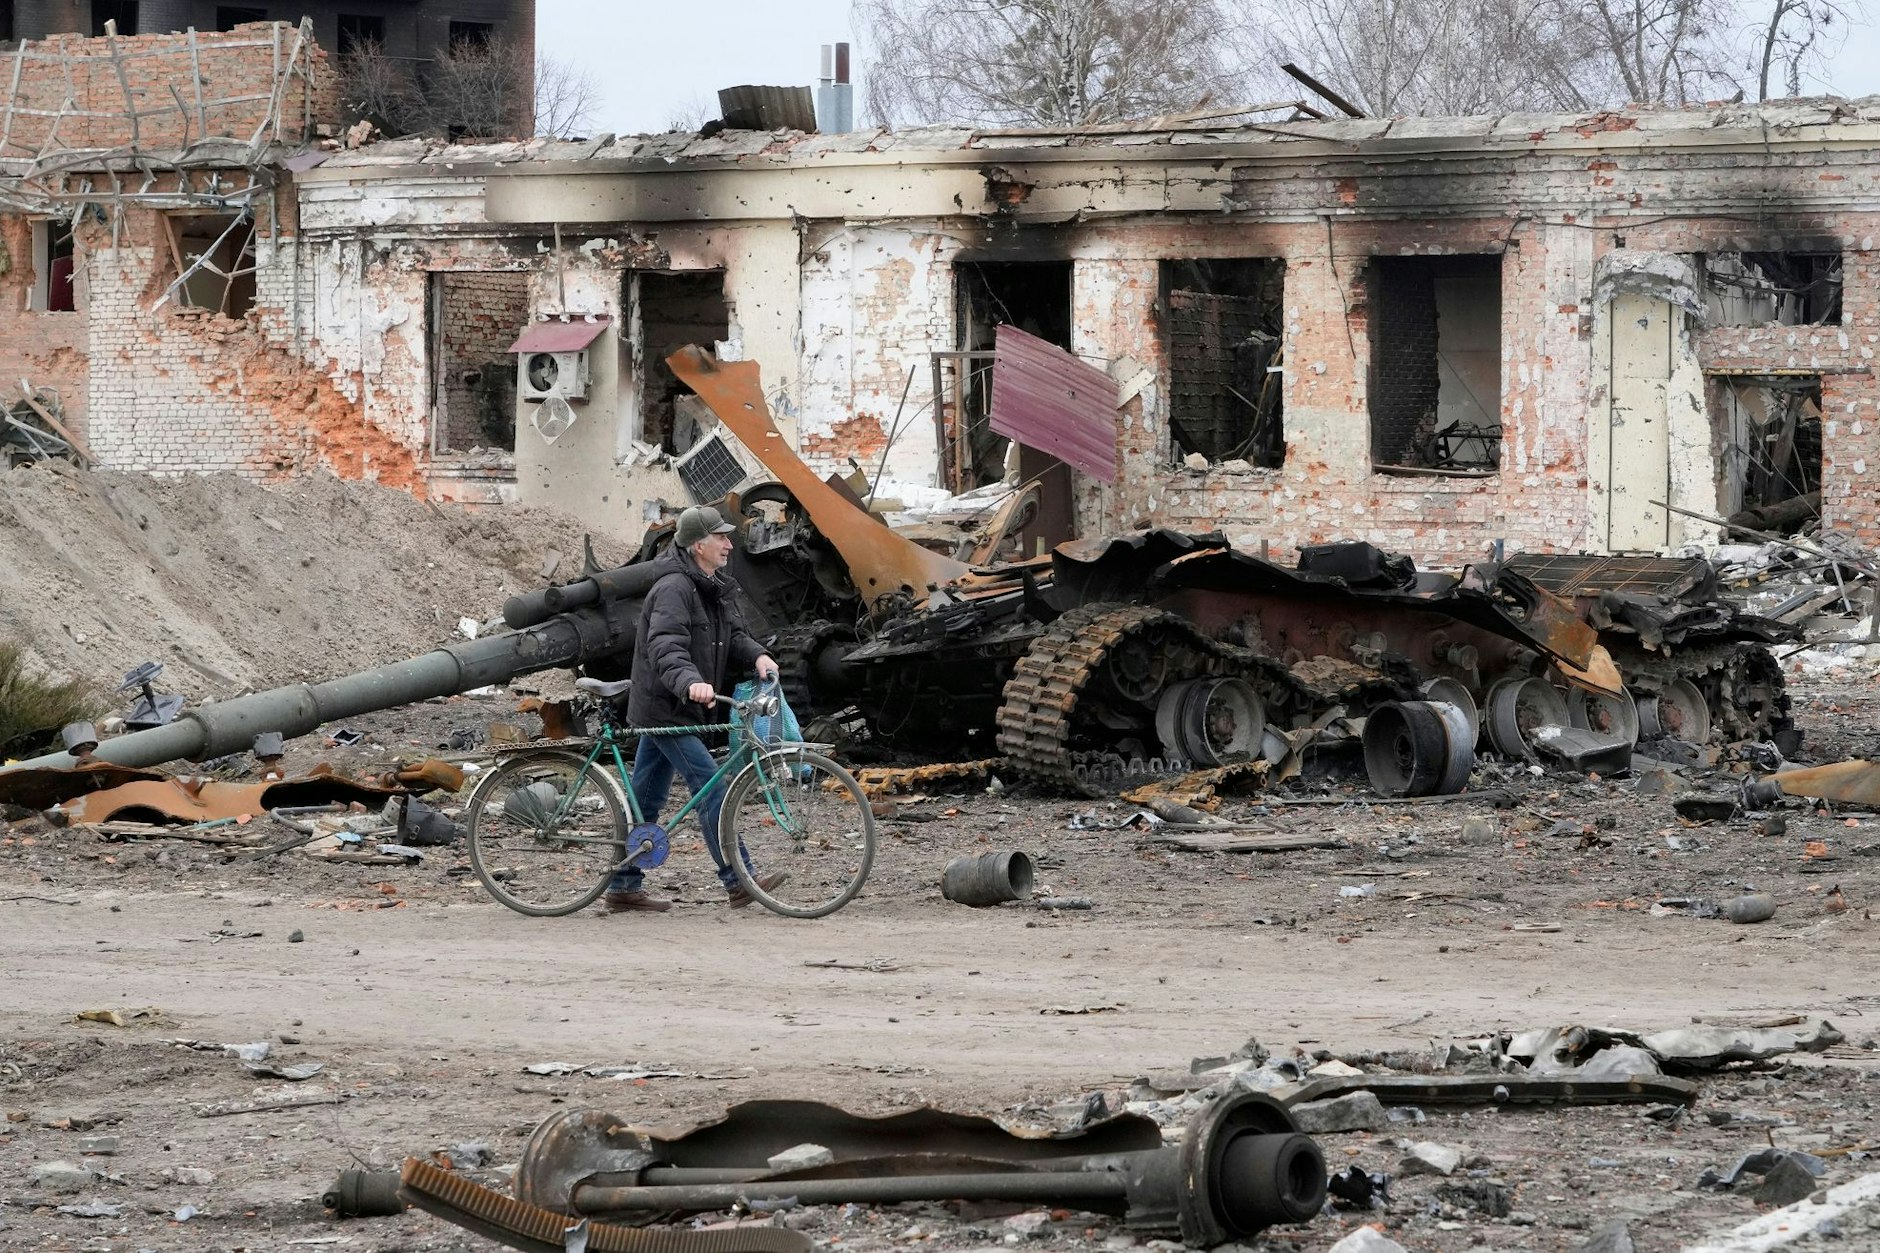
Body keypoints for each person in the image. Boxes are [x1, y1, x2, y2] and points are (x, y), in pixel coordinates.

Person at [601, 504, 783, 913]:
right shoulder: (674, 589)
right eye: (720, 537)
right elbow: (665, 646)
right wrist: (689, 682)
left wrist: (758, 655)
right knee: (711, 788)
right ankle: (739, 881)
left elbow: (735, 634)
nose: (728, 543)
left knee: (646, 799)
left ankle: (623, 886)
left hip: (677, 705)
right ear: (698, 544)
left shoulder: (712, 584)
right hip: (667, 706)